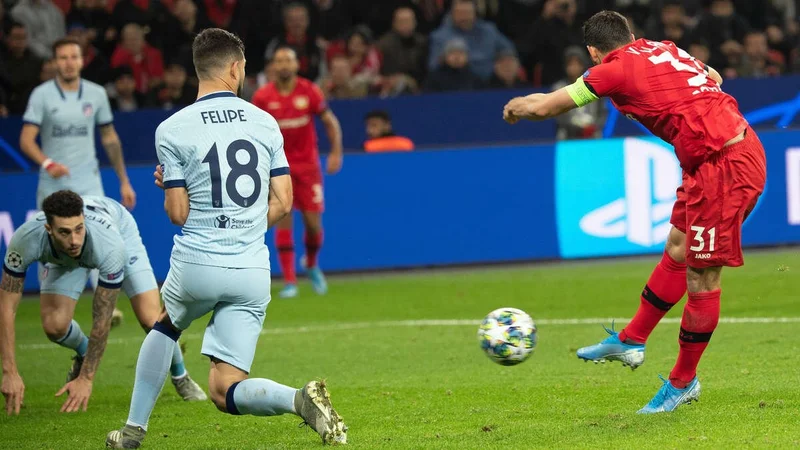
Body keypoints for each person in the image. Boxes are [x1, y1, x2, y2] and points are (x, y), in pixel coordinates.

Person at [503, 10, 766, 413]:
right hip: (710, 158)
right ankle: (632, 339)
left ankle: (683, 382)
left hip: (726, 166)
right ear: (629, 34)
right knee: (677, 247)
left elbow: (545, 108)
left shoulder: (611, 71)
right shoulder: (663, 48)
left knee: (702, 276)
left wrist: (516, 107)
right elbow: (714, 76)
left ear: (593, 51)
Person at [105, 28, 347, 448]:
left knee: (166, 326)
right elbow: (284, 201)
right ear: (236, 68)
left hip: (198, 262)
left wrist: (173, 187)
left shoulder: (172, 128)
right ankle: (297, 400)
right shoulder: (265, 121)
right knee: (225, 387)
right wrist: (244, 228)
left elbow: (178, 214)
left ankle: (132, 431)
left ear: (199, 69)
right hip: (251, 268)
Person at [0, 191, 205, 416]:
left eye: (79, 229)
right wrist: (9, 372)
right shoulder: (25, 239)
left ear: (83, 221)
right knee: (54, 327)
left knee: (151, 319)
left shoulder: (109, 245)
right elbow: (6, 308)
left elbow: (102, 318)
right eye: (65, 232)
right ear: (48, 229)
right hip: (63, 259)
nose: (74, 240)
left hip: (120, 232)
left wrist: (86, 378)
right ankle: (84, 352)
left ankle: (180, 376)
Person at [20, 37, 136, 327]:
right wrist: (48, 163)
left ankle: (106, 306)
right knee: (50, 246)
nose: (69, 63)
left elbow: (110, 138)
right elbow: (26, 140)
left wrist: (124, 180)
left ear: (82, 60)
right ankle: (52, 310)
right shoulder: (41, 95)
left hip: (89, 184)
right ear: (54, 62)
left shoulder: (96, 94)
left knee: (98, 238)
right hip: (52, 186)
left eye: (74, 57)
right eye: (63, 58)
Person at [251, 46, 344, 299]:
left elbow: (330, 121)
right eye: (279, 61)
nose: (283, 65)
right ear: (273, 66)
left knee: (313, 226)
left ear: (296, 65)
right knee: (284, 218)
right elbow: (252, 131)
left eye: (288, 60)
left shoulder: (309, 91)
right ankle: (290, 281)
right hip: (278, 168)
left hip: (308, 168)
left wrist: (336, 152)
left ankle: (311, 264)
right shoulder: (262, 97)